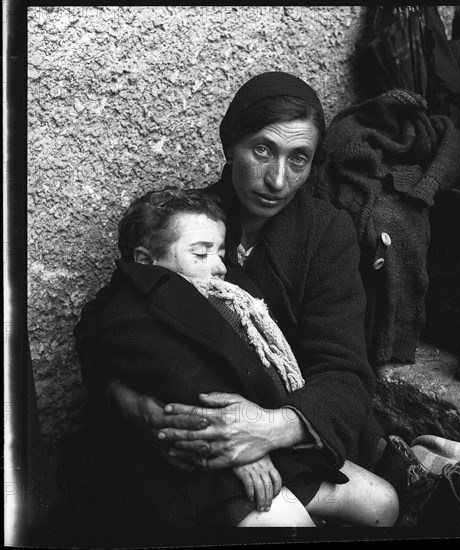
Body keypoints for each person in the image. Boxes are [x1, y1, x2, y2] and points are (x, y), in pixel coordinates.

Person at [74, 71, 399, 528]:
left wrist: (268, 428)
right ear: (231, 145)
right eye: (262, 150)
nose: (277, 179)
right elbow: (104, 319)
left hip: (284, 427)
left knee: (383, 503)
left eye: (299, 159)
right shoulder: (188, 220)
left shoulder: (327, 234)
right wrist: (128, 401)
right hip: (181, 429)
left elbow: (344, 369)